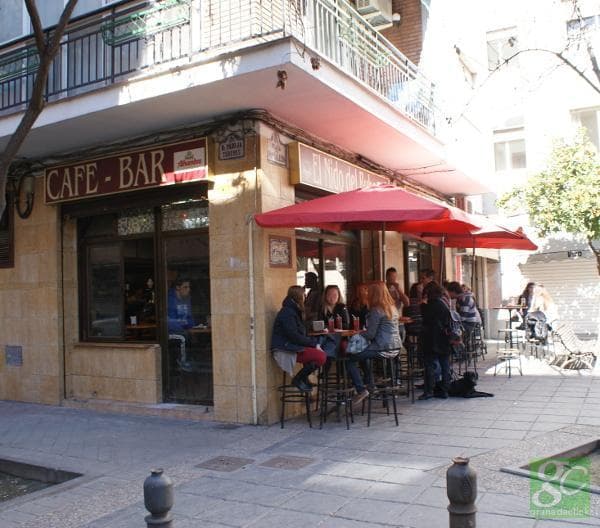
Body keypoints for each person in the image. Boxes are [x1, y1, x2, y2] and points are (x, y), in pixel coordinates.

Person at [346, 281, 403, 405]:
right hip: (396, 347)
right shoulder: (392, 307)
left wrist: (357, 333)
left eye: (369, 292)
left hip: (382, 347)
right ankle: (371, 386)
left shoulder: (376, 310)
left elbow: (371, 334)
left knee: (350, 359)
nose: (366, 294)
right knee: (363, 357)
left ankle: (362, 390)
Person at [271, 285, 327, 392]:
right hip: (285, 348)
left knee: (317, 353)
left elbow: (299, 333)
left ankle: (304, 378)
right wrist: (314, 344)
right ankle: (298, 379)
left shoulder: (293, 310)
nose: (305, 297)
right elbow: (294, 336)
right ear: (298, 297)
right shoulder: (287, 312)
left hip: (291, 345)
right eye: (304, 295)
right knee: (321, 356)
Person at [418, 281, 453, 400]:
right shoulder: (444, 304)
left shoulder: (429, 306)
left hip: (431, 339)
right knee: (445, 365)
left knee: (429, 365)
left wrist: (422, 305)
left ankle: (429, 390)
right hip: (444, 338)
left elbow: (426, 319)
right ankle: (445, 390)